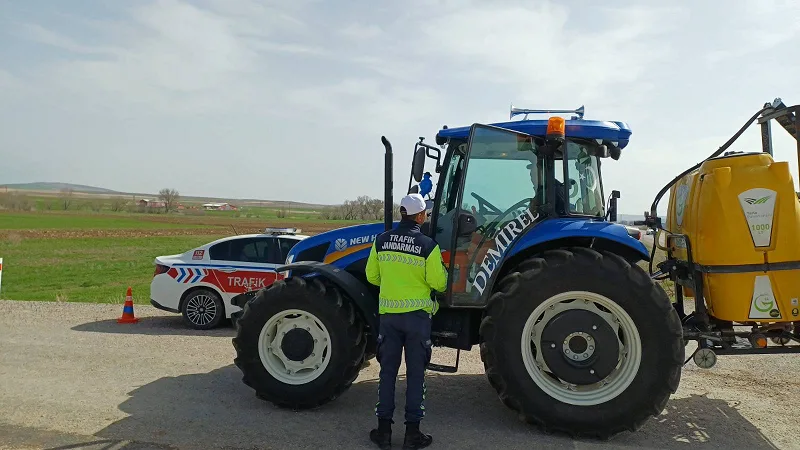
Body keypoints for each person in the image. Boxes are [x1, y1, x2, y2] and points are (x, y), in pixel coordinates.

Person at [365, 193, 448, 449]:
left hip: (389, 319)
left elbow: (372, 276)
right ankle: (412, 434)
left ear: (402, 213)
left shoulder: (381, 241)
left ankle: (383, 432)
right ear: (421, 216)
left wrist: (393, 285)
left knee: (387, 373)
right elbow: (439, 283)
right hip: (418, 320)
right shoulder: (428, 245)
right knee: (415, 376)